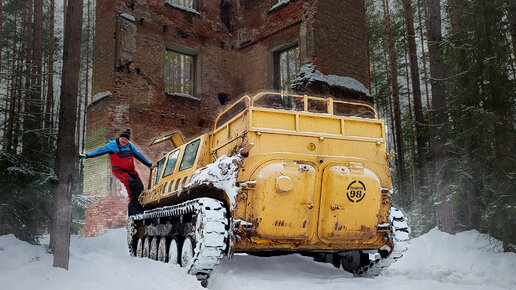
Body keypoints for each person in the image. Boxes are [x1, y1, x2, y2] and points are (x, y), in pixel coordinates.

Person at [80, 129, 153, 215]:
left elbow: (138, 155)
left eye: (126, 139)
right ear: (119, 138)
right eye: (122, 139)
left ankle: (134, 206)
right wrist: (86, 155)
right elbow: (99, 151)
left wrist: (149, 164)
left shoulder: (130, 146)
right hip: (119, 171)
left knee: (140, 186)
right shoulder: (112, 145)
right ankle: (136, 209)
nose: (124, 141)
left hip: (131, 170)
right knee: (130, 183)